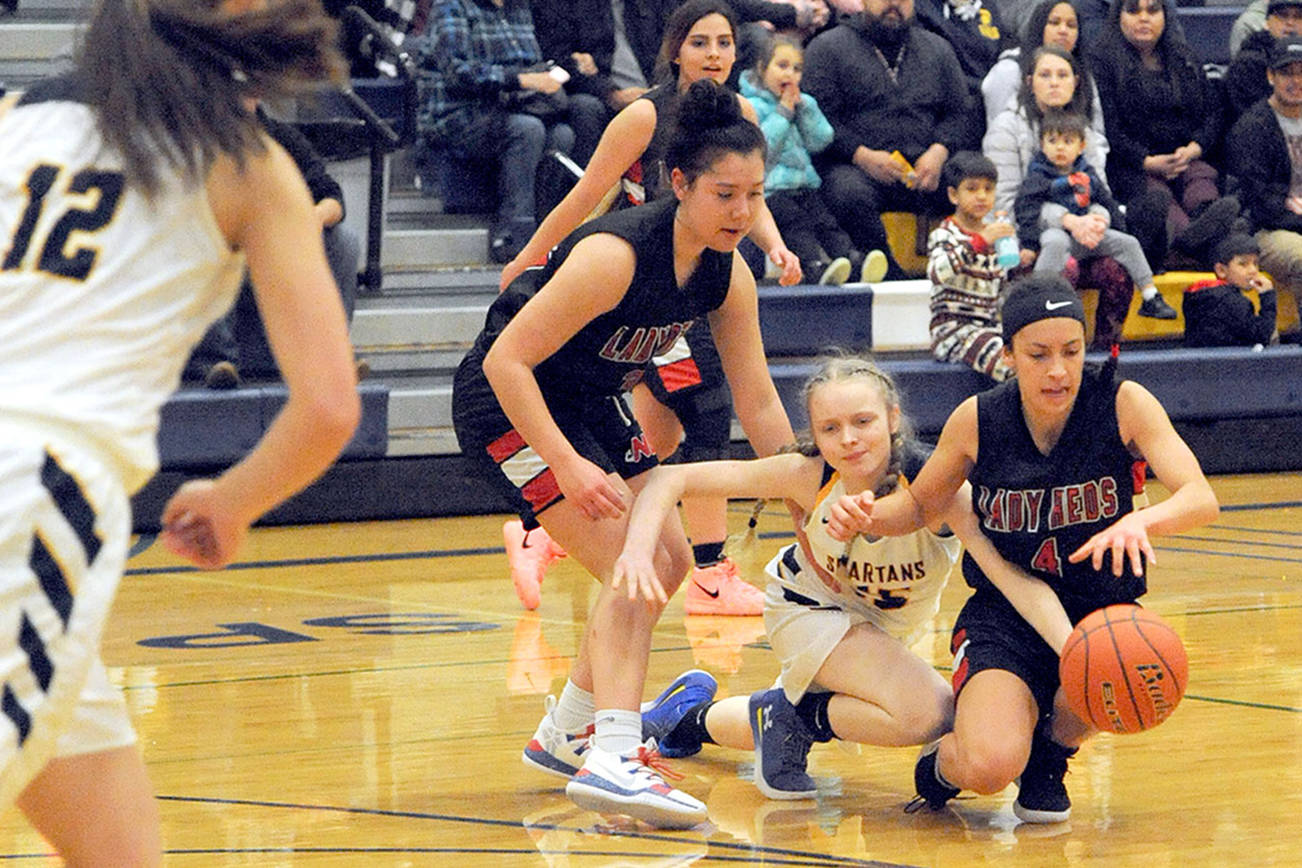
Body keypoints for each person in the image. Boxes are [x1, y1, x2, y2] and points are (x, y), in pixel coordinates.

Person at [0, 0, 361, 862]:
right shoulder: (248, 164)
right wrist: (232, 502)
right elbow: (328, 407)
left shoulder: (17, 115)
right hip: (31, 486)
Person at [451, 80, 796, 827]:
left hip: (586, 400)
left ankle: (566, 731)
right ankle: (611, 754)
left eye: (754, 197)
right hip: (509, 401)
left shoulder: (727, 272)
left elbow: (760, 400)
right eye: (725, 195)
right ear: (679, 184)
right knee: (628, 565)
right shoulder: (615, 254)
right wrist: (567, 466)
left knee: (670, 561)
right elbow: (505, 362)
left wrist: (812, 495)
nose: (742, 213)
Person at [838, 275, 1219, 823]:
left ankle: (1052, 753)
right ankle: (944, 765)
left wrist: (1142, 521)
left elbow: (1199, 497)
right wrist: (866, 514)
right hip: (1007, 615)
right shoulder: (977, 419)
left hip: (1099, 611)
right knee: (990, 766)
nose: (1058, 370)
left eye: (1071, 351)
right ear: (1009, 353)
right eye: (1039, 354)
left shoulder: (1123, 403)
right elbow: (921, 508)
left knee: (1129, 666)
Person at [622, 355, 1067, 800]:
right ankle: (791, 718)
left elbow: (1008, 578)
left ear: (893, 418)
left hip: (878, 630)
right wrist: (640, 548)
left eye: (863, 421)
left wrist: (1069, 647)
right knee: (935, 713)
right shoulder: (805, 474)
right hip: (807, 610)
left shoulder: (938, 487)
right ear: (814, 435)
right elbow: (667, 480)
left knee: (861, 710)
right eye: (830, 428)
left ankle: (686, 718)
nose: (849, 439)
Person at [498, 0, 802, 618]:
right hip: (634, 282)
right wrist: (530, 258)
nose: (714, 53)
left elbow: (750, 196)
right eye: (700, 42)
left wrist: (772, 245)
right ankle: (712, 571)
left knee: (654, 437)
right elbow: (588, 193)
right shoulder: (642, 115)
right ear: (674, 50)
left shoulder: (742, 117)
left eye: (724, 41)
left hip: (695, 282)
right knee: (709, 410)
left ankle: (541, 530)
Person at [183, 101, 361, 389]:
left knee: (342, 242)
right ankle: (217, 361)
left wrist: (313, 218)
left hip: (272, 253)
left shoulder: (281, 138)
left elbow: (331, 195)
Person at [800, 0, 973, 278]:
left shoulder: (938, 48)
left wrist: (939, 151)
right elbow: (815, 118)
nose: (893, 4)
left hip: (928, 169)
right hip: (858, 167)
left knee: (973, 179)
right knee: (846, 191)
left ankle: (971, 269)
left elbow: (961, 113)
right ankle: (888, 273)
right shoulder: (828, 47)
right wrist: (861, 155)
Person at [983, 44, 1138, 347]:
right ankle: (1049, 350)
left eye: (1062, 75)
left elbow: (1098, 191)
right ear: (1030, 82)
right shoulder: (1006, 128)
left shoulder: (1085, 131)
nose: (1054, 82)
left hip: (1082, 236)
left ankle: (1107, 356)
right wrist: (1065, 220)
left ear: (1076, 82)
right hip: (1025, 241)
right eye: (1045, 75)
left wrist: (1097, 220)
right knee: (1065, 267)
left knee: (1119, 269)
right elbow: (1004, 204)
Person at [413, 0, 580, 263]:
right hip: (457, 113)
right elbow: (456, 72)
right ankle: (514, 235)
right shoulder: (452, 7)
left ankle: (549, 234)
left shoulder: (519, 9)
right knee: (528, 130)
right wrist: (519, 79)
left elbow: (531, 63)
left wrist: (546, 77)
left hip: (512, 106)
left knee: (562, 135)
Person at [1089, 0, 1241, 277]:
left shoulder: (1184, 55)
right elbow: (1107, 128)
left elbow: (1213, 113)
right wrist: (1146, 162)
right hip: (1132, 164)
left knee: (1202, 183)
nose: (1144, 18)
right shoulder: (1101, 61)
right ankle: (1187, 244)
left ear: (1165, 15)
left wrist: (1195, 148)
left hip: (1185, 158)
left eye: (1153, 10)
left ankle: (1198, 239)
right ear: (1118, 17)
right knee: (1159, 201)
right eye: (1134, 11)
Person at [739, 35, 889, 285]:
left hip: (804, 185)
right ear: (762, 68)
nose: (790, 74)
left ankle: (851, 259)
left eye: (797, 69)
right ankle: (814, 265)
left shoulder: (802, 104)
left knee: (825, 222)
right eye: (782, 66)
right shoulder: (752, 106)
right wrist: (783, 113)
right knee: (797, 227)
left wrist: (807, 109)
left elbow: (822, 139)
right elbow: (762, 149)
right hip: (772, 192)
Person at [1015, 111, 1159, 306]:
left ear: (1081, 146)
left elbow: (1106, 201)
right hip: (1055, 233)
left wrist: (1107, 225)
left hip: (1088, 236)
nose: (1059, 147)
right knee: (1055, 242)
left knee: (1128, 242)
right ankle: (1038, 297)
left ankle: (1151, 295)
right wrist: (1030, 245)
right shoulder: (1038, 176)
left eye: (1067, 141)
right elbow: (1027, 211)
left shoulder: (1088, 174)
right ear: (1042, 145)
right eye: (1052, 140)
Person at [1227, 33, 1302, 338]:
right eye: (1287, 72)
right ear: (1271, 76)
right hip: (1267, 229)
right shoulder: (1252, 127)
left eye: (1301, 72)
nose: (1295, 80)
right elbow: (1261, 204)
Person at [927, 151, 1016, 381]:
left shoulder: (995, 235)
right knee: (1009, 364)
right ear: (953, 195)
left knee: (1027, 352)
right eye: (972, 188)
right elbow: (938, 272)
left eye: (988, 189)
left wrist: (1021, 260)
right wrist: (980, 242)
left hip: (990, 329)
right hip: (953, 331)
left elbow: (1000, 290)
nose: (981, 196)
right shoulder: (945, 234)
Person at [981, 0, 1103, 138]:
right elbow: (998, 132)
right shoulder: (1009, 71)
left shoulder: (1084, 74)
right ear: (1039, 27)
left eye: (1071, 25)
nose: (1063, 31)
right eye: (1054, 23)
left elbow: (1097, 135)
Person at [914, 0, 1012, 145]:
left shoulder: (988, 6)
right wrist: (986, 86)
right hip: (951, 101)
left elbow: (1005, 48)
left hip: (994, 95)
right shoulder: (922, 9)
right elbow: (930, 65)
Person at [1183, 234, 1279, 348]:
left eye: (1255, 263)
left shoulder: (1199, 295)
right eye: (1243, 264)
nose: (1253, 270)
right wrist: (1267, 296)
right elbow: (1262, 335)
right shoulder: (1232, 301)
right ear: (1221, 270)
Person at [1225, 0, 1302, 125]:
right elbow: (1251, 123)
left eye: (1298, 16)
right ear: (1267, 22)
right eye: (1282, 15)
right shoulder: (1247, 64)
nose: (1290, 23)